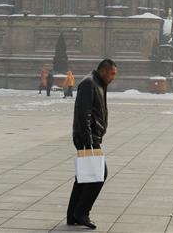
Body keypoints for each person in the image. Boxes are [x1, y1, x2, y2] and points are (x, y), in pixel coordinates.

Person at [67, 59, 118, 230]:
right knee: (99, 174)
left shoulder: (98, 82)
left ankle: (72, 215)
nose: (113, 78)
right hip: (86, 138)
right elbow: (84, 114)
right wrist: (88, 142)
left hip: (90, 137)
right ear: (103, 71)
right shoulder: (89, 83)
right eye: (112, 74)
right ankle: (82, 212)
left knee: (83, 176)